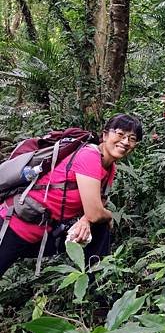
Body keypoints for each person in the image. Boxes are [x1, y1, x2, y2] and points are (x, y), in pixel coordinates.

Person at [0, 113, 143, 277]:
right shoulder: (89, 156)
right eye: (120, 134)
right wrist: (107, 216)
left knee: (99, 227)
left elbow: (98, 203)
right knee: (102, 221)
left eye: (132, 138)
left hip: (44, 233)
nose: (125, 142)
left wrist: (86, 219)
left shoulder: (110, 167)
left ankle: (95, 288)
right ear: (105, 135)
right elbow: (96, 213)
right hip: (14, 225)